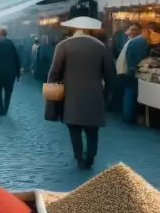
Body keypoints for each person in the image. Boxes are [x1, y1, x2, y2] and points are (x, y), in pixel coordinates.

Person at [48, 16, 117, 170]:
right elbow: (111, 76)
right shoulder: (100, 47)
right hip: (94, 96)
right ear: (89, 30)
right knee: (93, 130)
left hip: (71, 96)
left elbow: (53, 74)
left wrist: (52, 101)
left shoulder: (63, 46)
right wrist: (106, 97)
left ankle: (79, 157)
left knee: (74, 129)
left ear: (73, 29)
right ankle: (90, 157)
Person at [120, 24, 151, 123]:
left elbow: (127, 57)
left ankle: (127, 116)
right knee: (132, 93)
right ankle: (130, 116)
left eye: (134, 29)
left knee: (129, 93)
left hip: (130, 70)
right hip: (136, 70)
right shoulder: (142, 41)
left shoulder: (130, 41)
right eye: (132, 29)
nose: (133, 31)